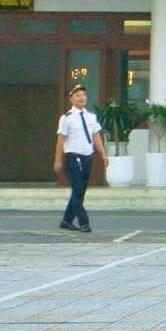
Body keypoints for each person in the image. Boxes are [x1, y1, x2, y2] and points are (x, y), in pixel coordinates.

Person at [54, 85, 107, 233]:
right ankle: (84, 222)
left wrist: (103, 154)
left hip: (87, 156)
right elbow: (60, 140)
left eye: (83, 95)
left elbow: (96, 136)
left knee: (81, 190)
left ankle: (66, 220)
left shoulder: (91, 117)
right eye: (77, 95)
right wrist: (58, 160)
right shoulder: (67, 118)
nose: (81, 98)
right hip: (73, 156)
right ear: (71, 99)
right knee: (77, 189)